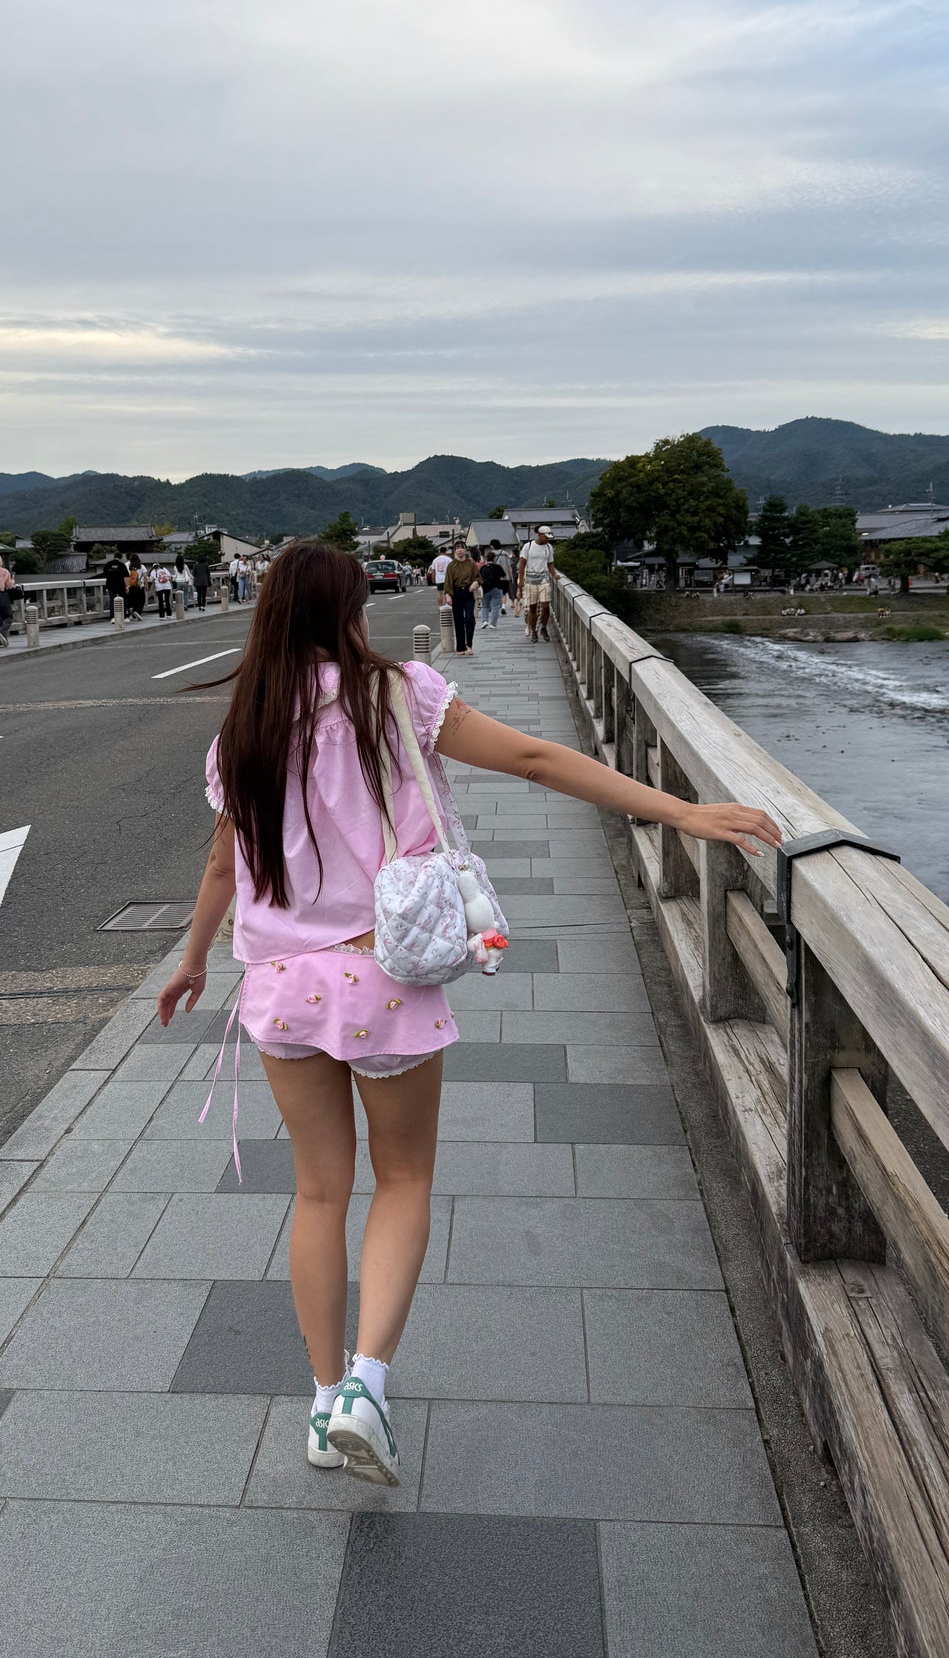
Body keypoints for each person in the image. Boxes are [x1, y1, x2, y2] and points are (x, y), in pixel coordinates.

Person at [156, 542, 781, 1487]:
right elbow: (532, 758)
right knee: (402, 1179)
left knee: (317, 1194)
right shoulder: (395, 694)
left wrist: (192, 958)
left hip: (279, 987)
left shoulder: (239, 730)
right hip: (383, 981)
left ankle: (324, 1403)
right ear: (347, 611)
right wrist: (681, 814)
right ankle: (368, 1383)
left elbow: (219, 865)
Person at [518, 523, 558, 642]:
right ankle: (534, 631)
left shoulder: (548, 548)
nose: (547, 540)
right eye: (545, 537)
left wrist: (554, 574)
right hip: (530, 581)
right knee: (532, 607)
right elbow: (522, 563)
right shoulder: (528, 546)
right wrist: (520, 580)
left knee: (545, 606)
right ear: (540, 535)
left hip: (544, 580)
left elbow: (550, 563)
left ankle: (544, 627)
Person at [443, 542, 479, 655]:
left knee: (469, 619)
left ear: (465, 550)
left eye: (462, 548)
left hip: (468, 592)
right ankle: (460, 647)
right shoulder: (451, 565)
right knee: (458, 620)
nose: (460, 550)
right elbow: (448, 581)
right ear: (454, 551)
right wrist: (448, 594)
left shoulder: (471, 564)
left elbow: (478, 577)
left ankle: (469, 644)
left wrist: (475, 583)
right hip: (456, 593)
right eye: (457, 548)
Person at [478, 547, 508, 629]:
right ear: (494, 558)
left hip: (485, 589)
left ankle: (484, 621)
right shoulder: (497, 567)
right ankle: (493, 624)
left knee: (484, 606)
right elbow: (504, 575)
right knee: (495, 606)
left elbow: (479, 578)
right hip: (496, 588)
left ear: (486, 559)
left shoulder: (483, 568)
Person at [103, 551, 129, 621]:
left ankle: (113, 617)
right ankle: (124, 617)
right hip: (120, 585)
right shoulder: (122, 565)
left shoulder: (108, 564)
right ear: (121, 557)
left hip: (110, 585)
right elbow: (126, 576)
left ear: (114, 556)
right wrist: (127, 586)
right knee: (123, 600)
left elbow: (105, 573)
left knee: (112, 601)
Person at [126, 554, 146, 621]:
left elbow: (127, 576)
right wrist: (146, 584)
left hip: (131, 586)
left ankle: (131, 611)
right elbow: (145, 576)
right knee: (141, 600)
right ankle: (137, 611)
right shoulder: (141, 566)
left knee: (132, 600)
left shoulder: (128, 566)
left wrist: (127, 585)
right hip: (139, 586)